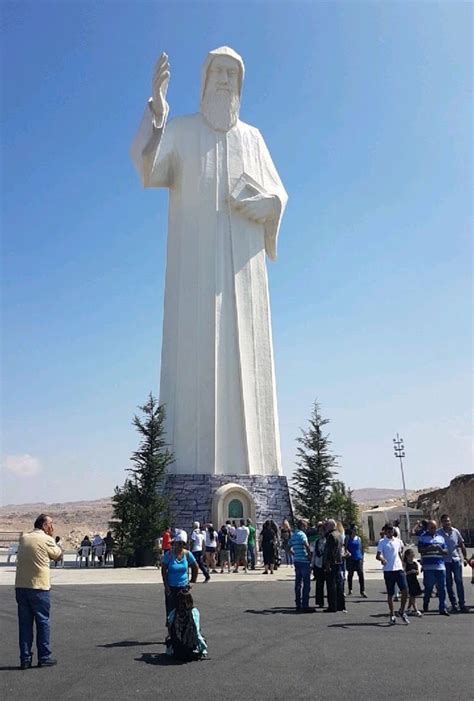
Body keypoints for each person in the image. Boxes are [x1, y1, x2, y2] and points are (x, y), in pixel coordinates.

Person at [131, 48, 288, 479]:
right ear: (203, 81)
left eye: (231, 73)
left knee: (252, 373)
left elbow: (280, 196)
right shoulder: (180, 130)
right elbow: (148, 169)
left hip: (245, 273)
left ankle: (260, 473)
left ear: (240, 84)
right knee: (191, 367)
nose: (223, 79)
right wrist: (157, 112)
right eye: (217, 71)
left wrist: (262, 203)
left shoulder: (254, 139)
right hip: (193, 274)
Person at [15, 514, 63, 669]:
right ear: (44, 525)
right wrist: (53, 541)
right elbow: (58, 555)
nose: (52, 527)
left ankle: (25, 658)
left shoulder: (24, 538)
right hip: (39, 587)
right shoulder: (46, 539)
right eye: (50, 524)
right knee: (42, 622)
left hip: (21, 586)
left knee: (25, 624)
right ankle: (44, 656)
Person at [376, 523, 409, 624]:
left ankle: (402, 611)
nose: (390, 532)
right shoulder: (382, 542)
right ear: (385, 531)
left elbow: (400, 553)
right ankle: (392, 614)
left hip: (398, 569)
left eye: (391, 530)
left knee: (405, 590)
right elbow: (378, 555)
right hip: (388, 570)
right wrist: (382, 559)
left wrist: (403, 564)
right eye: (388, 530)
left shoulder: (398, 541)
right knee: (390, 593)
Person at [161, 535, 198, 618]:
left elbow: (195, 567)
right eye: (179, 543)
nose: (181, 546)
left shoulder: (187, 554)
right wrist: (166, 585)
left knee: (184, 612)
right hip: (171, 587)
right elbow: (164, 570)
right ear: (175, 544)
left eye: (183, 544)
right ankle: (171, 629)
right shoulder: (169, 554)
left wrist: (192, 581)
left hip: (184, 588)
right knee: (171, 613)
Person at [437, 514, 468, 613]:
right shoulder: (438, 533)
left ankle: (462, 604)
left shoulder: (455, 532)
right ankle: (454, 604)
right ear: (441, 522)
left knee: (459, 582)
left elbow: (461, 544)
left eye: (448, 521)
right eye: (445, 521)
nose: (447, 523)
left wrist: (465, 557)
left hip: (456, 560)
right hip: (445, 561)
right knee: (449, 583)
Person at [418, 520, 449, 615]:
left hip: (440, 566)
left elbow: (446, 551)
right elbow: (420, 549)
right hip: (428, 566)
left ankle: (442, 608)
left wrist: (440, 549)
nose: (433, 530)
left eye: (434, 528)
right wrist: (429, 548)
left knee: (442, 588)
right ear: (428, 528)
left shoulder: (441, 538)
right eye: (431, 528)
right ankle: (426, 602)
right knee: (429, 587)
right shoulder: (423, 538)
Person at [166, 589, 208, 660]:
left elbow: (169, 627)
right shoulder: (194, 612)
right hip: (191, 647)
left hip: (177, 650)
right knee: (201, 634)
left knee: (168, 638)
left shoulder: (173, 612)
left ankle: (172, 649)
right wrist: (203, 648)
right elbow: (197, 631)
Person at [323, 519, 346, 613]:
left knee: (331, 585)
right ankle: (341, 605)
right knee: (339, 584)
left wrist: (327, 563)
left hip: (332, 562)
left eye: (327, 525)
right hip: (339, 561)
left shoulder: (331, 536)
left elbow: (329, 551)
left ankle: (332, 606)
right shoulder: (339, 535)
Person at [289, 519, 313, 612]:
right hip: (304, 561)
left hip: (297, 560)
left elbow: (288, 546)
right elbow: (306, 544)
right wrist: (309, 555)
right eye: (306, 526)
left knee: (298, 583)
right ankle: (305, 604)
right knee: (306, 583)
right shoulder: (302, 535)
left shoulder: (294, 535)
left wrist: (293, 553)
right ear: (302, 526)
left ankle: (298, 603)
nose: (306, 528)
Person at [346, 527, 367, 598]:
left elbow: (361, 548)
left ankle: (362, 590)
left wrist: (362, 557)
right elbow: (346, 548)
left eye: (355, 531)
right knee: (350, 574)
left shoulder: (359, 539)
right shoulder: (348, 539)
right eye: (353, 531)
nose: (354, 532)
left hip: (358, 558)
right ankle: (350, 589)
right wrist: (347, 553)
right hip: (351, 558)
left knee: (360, 574)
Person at [403, 549, 423, 617]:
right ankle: (416, 609)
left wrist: (415, 571)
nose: (412, 556)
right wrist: (410, 572)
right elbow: (404, 573)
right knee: (412, 595)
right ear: (407, 556)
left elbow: (418, 572)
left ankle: (408, 608)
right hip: (408, 580)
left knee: (413, 595)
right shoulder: (405, 564)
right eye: (410, 555)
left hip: (414, 580)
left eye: (413, 555)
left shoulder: (415, 563)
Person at [312, 522, 326, 608]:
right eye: (319, 531)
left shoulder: (327, 540)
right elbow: (314, 553)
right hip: (318, 564)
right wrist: (312, 564)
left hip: (325, 564)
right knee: (319, 584)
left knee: (328, 583)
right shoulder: (316, 541)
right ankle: (320, 601)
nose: (320, 533)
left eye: (322, 531)